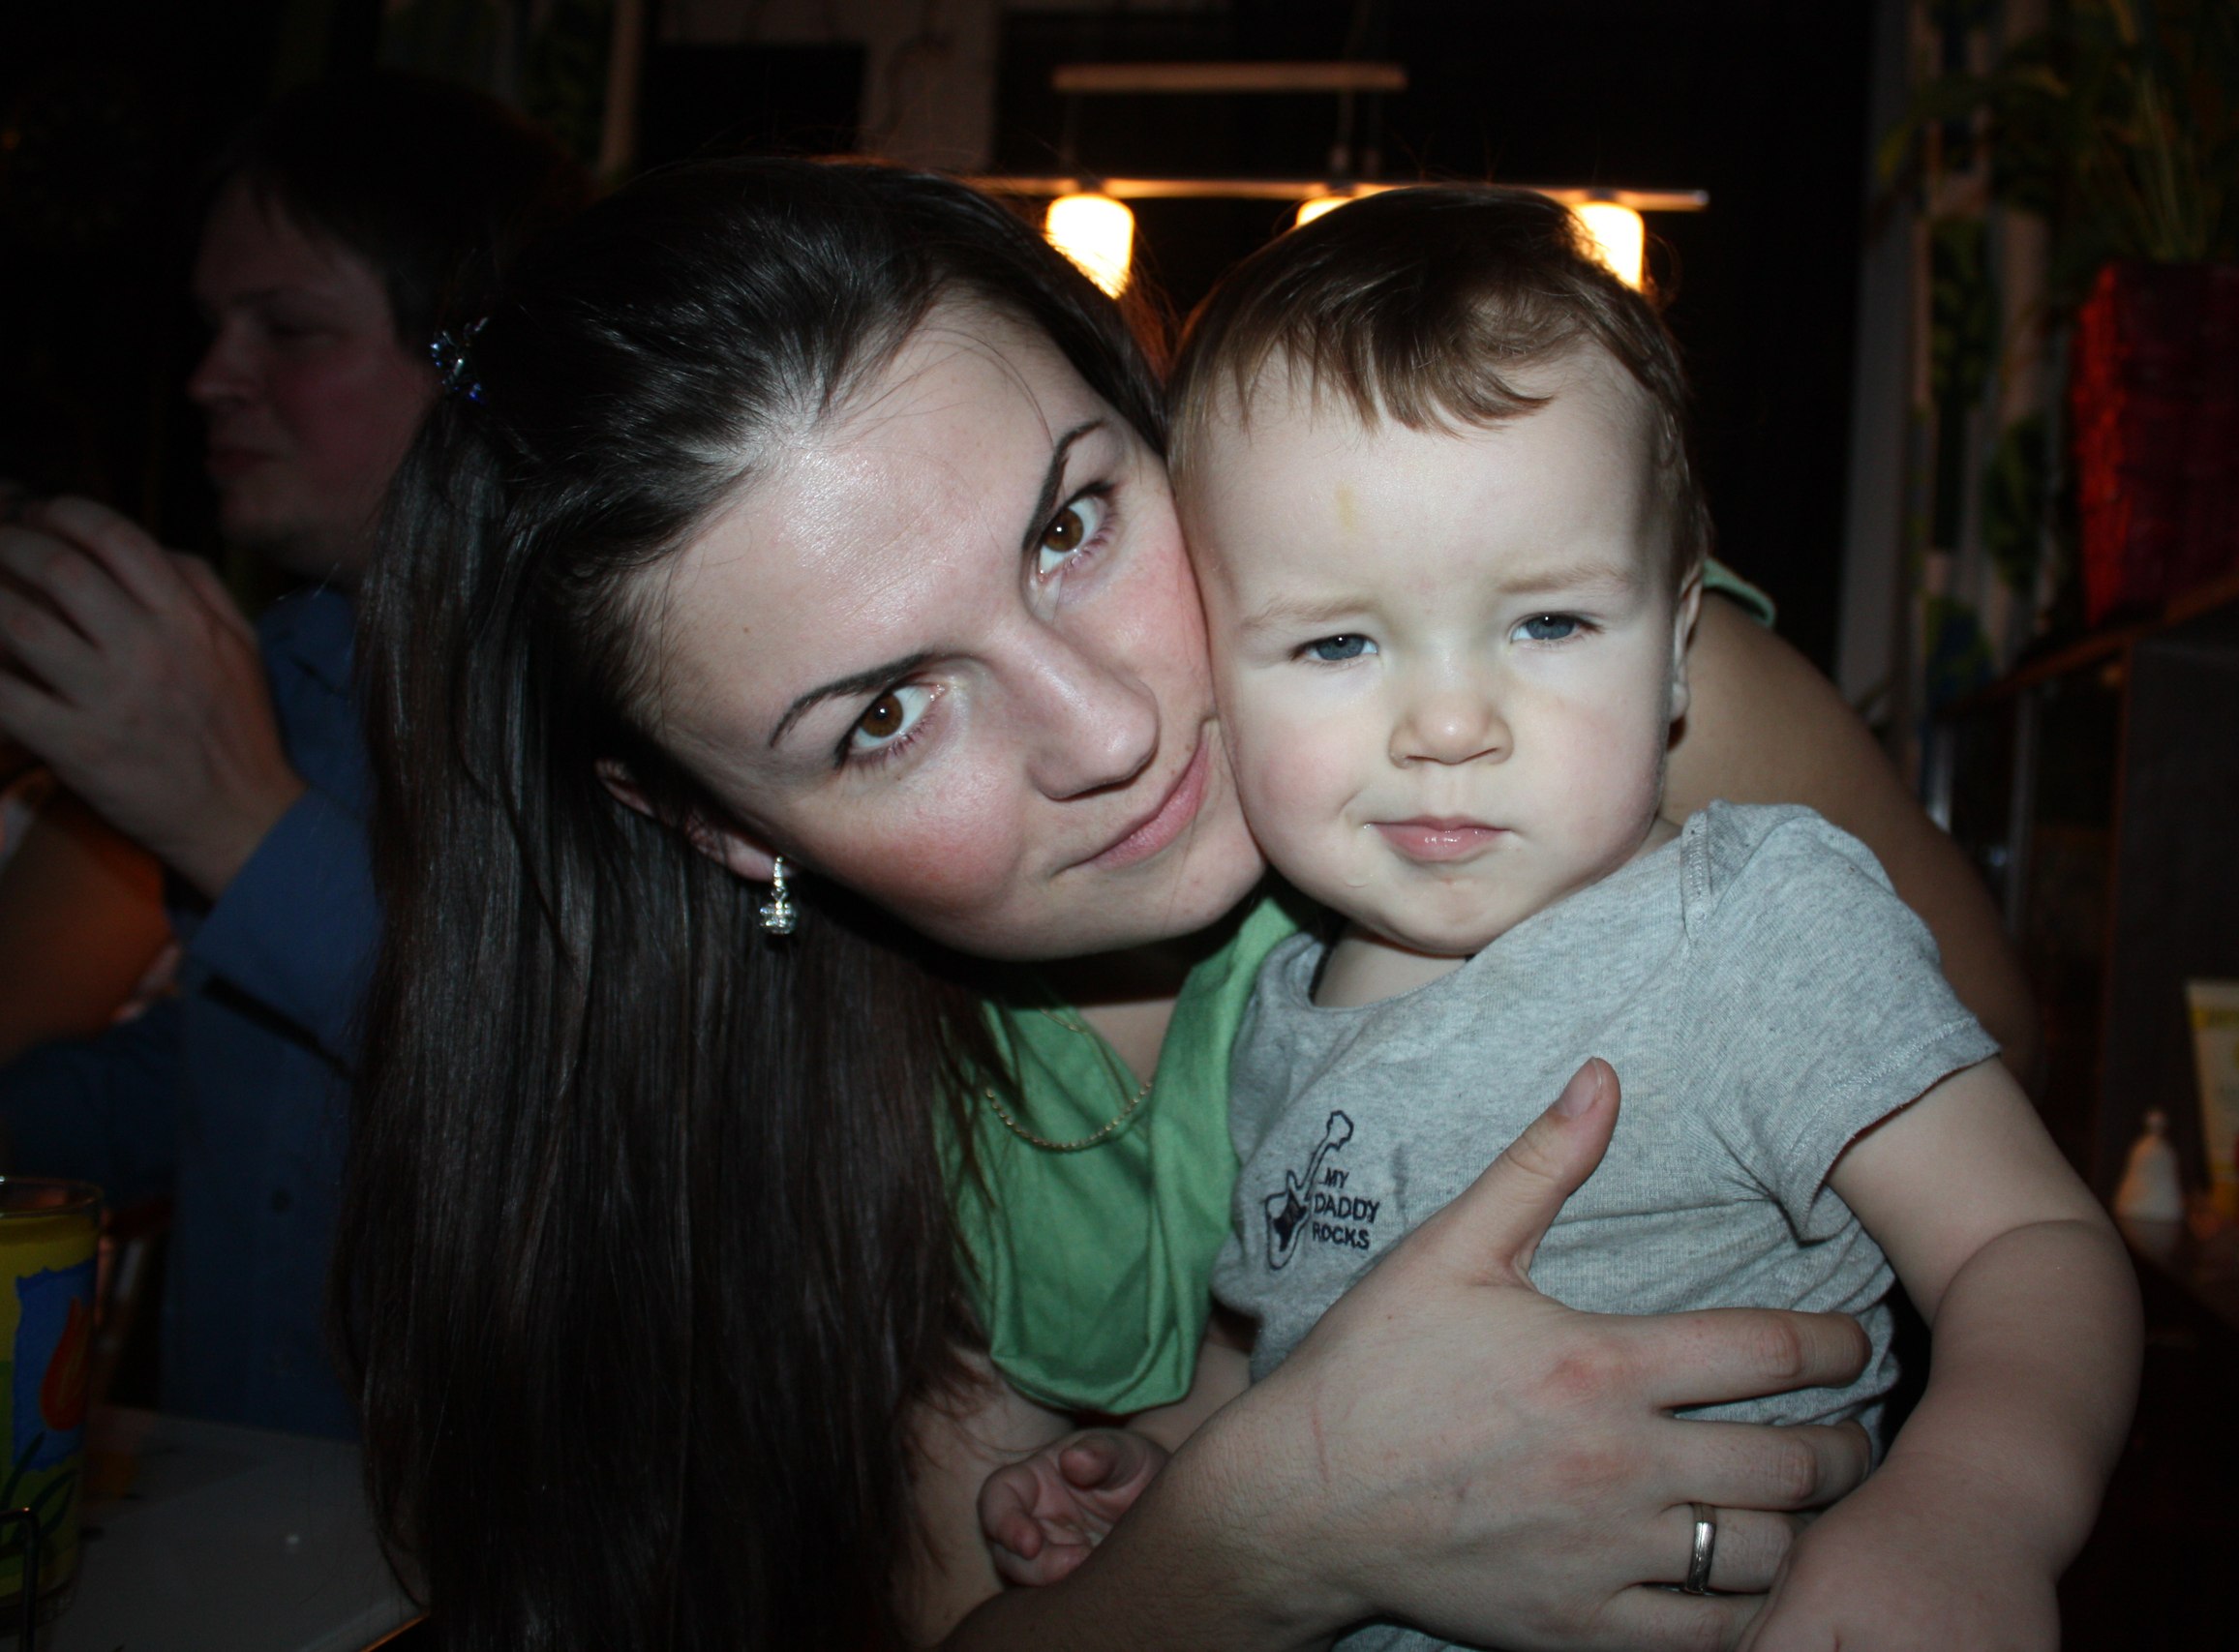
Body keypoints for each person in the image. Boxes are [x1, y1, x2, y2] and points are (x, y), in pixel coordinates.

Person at [342, 158, 2041, 1648]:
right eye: (886, 715)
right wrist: (1267, 1524)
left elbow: (1981, 1095)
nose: (1112, 730)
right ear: (716, 826)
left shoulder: (1582, 699)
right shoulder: (805, 1124)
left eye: (1071, 525)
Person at [973, 187, 2140, 1648]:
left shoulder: (1753, 925)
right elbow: (1279, 1357)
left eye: (1548, 622)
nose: (1449, 723)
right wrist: (1165, 1480)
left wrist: (1971, 1509)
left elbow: (2030, 1243)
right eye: (1337, 642)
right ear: (1216, 672)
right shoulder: (1276, 1013)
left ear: (1679, 645)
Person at [0, 75, 590, 1435]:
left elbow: (578, 1084)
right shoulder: (290, 666)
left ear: (477, 365)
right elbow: (248, 1088)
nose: (211, 377)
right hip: (235, 1500)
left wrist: (233, 825)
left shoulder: (619, 687)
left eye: (290, 328)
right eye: (214, 326)